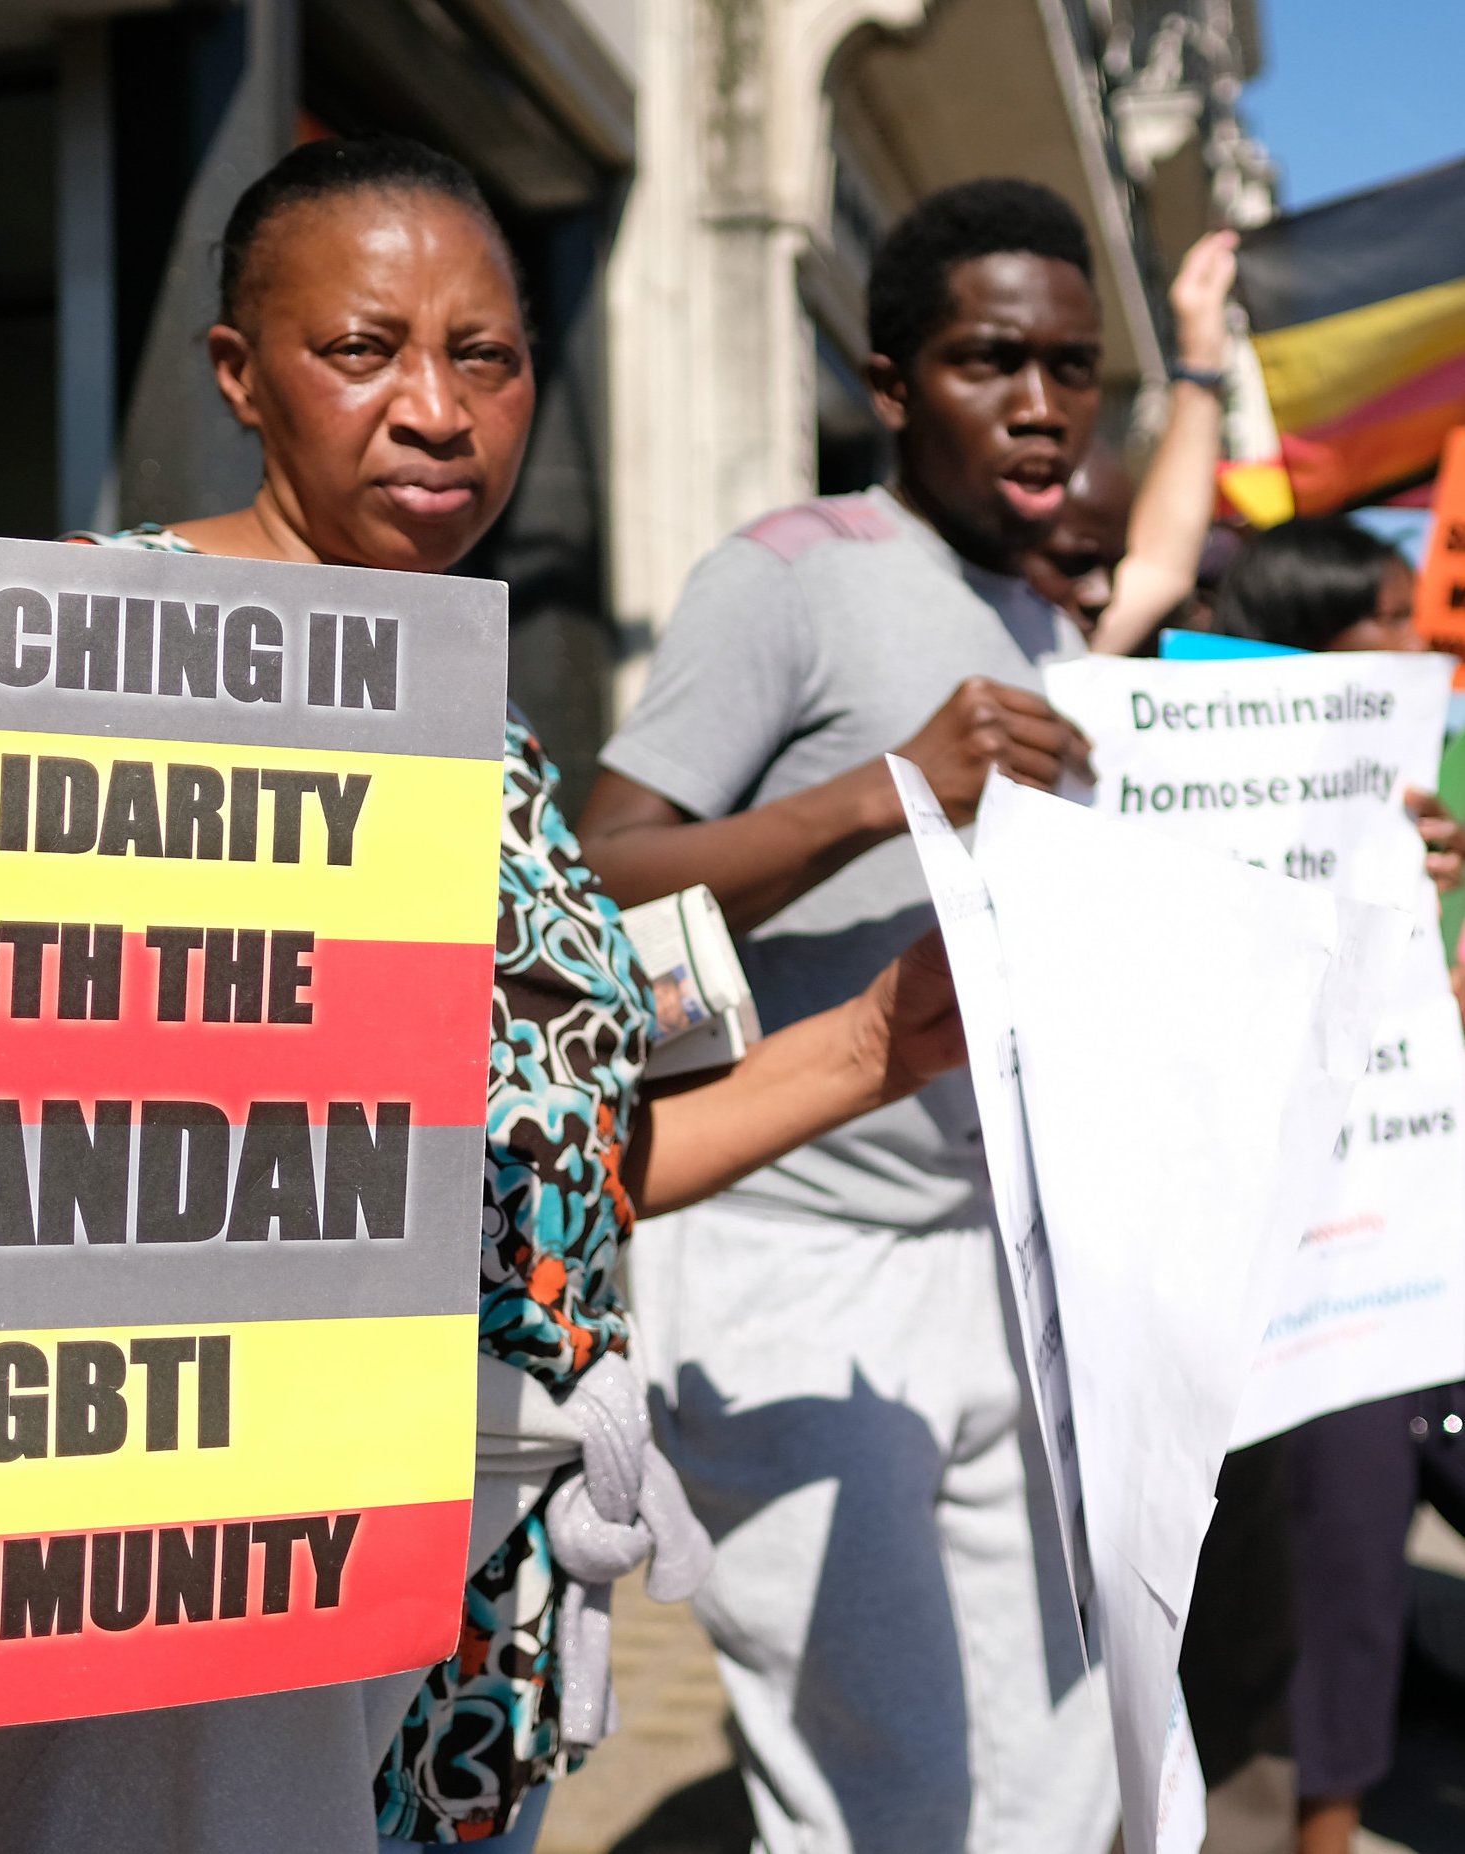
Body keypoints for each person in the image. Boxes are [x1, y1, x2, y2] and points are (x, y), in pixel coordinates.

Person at [0, 137, 966, 1854]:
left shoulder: (479, 735)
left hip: (471, 1605)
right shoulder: (62, 661)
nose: (435, 408)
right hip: (176, 1601)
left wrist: (872, 1039)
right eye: (362, 349)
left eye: (484, 355)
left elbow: (553, 1181)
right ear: (239, 375)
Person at [577, 179, 1116, 1854]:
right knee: (882, 1799)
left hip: (999, 1268)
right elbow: (592, 893)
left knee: (1060, 1782)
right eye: (987, 360)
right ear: (888, 381)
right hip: (783, 1265)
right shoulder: (785, 576)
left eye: (1070, 366)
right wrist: (875, 796)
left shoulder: (1042, 614)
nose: (1036, 403)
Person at [1213, 514, 1465, 1854]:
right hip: (1323, 1260)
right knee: (1341, 1560)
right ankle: (1322, 1820)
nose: (1416, 636)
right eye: (1382, 613)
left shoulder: (1440, 785)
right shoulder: (1209, 815)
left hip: (1437, 1230)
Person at [1024, 229, 1239, 653]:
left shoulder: (1060, 657)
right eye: (1073, 563)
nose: (1101, 596)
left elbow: (1162, 567)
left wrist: (1202, 359)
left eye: (1115, 567)